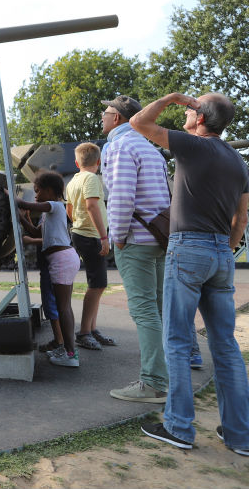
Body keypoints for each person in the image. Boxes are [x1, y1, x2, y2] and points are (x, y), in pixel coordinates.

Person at [130, 92, 249, 456]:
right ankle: (240, 436)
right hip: (221, 253)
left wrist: (170, 98)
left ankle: (179, 427)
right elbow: (240, 219)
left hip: (188, 249)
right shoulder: (239, 163)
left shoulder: (195, 147)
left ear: (201, 118)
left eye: (191, 107)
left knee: (179, 340)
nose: (186, 110)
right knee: (226, 346)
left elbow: (138, 123)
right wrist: (225, 249)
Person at [101, 95, 172, 403]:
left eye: (106, 113)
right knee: (156, 311)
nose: (102, 118)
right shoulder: (151, 148)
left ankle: (153, 382)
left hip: (135, 241)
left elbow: (120, 195)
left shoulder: (118, 146)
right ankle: (163, 376)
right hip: (158, 237)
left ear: (117, 118)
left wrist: (116, 236)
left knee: (144, 312)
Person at [17, 171, 81, 367]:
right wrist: (22, 219)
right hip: (62, 259)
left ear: (50, 191)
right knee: (63, 307)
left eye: (38, 192)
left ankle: (71, 354)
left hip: (61, 259)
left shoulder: (55, 205)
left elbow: (27, 204)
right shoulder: (48, 213)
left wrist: (10, 195)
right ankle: (67, 349)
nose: (35, 196)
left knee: (63, 308)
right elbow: (36, 232)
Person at [64, 142, 116, 350]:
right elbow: (92, 204)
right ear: (99, 162)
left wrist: (79, 222)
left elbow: (69, 209)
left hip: (81, 233)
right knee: (97, 284)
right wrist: (103, 237)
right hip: (92, 236)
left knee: (97, 283)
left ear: (77, 162)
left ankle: (92, 329)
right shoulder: (92, 178)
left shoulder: (73, 181)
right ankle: (85, 332)